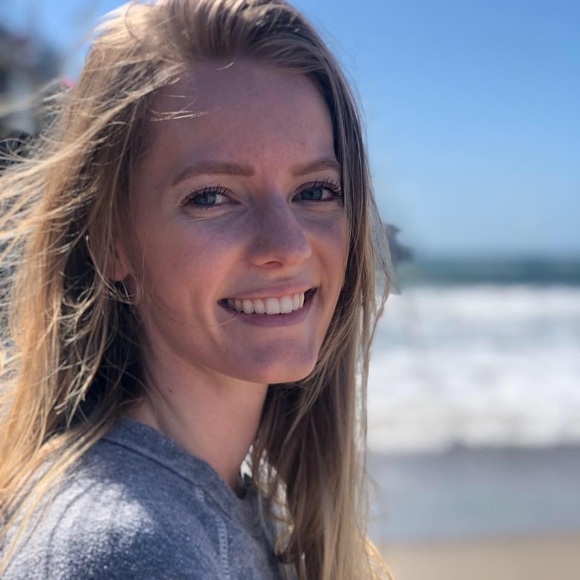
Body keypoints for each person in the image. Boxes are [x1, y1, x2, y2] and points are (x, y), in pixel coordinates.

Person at [0, 0, 391, 578]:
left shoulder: (234, 509)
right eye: (211, 196)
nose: (287, 245)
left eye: (315, 191)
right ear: (111, 240)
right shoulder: (130, 550)